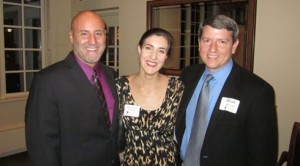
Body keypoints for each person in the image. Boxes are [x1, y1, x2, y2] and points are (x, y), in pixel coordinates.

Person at [176, 15, 278, 165]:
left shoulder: (258, 92)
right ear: (199, 43)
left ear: (234, 46)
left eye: (222, 42)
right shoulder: (188, 75)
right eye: (207, 40)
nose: (212, 49)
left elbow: (263, 157)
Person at [25, 11, 120, 165]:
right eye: (84, 33)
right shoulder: (48, 81)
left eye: (98, 33)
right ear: (71, 36)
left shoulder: (111, 75)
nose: (93, 41)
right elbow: (41, 146)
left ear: (105, 37)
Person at [116, 28, 184, 165]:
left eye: (161, 51)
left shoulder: (177, 88)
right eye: (148, 48)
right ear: (139, 49)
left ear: (166, 57)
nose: (153, 57)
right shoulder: (120, 86)